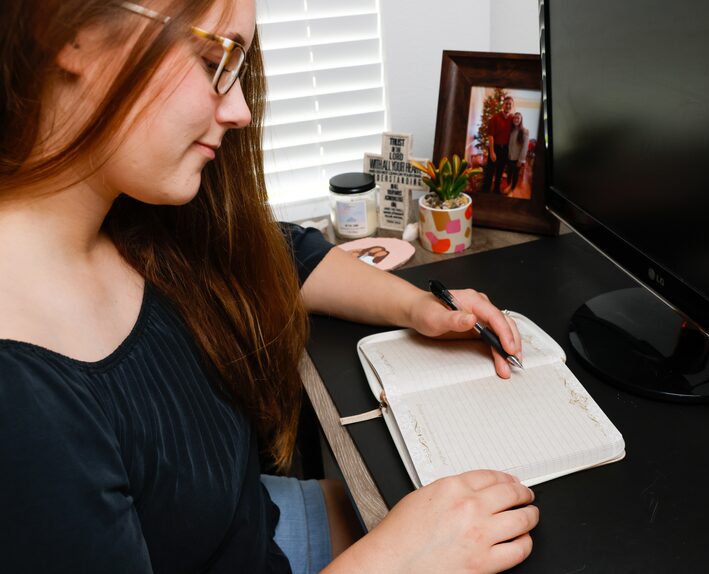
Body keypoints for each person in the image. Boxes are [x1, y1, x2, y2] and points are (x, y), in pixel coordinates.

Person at [0, 1, 539, 573]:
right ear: (75, 34)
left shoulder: (131, 220)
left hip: (264, 528)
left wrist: (417, 307)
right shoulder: (22, 404)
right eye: (212, 58)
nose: (239, 111)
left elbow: (278, 252)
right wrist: (401, 560)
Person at [480, 95, 515, 194]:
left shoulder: (512, 119)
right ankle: (485, 190)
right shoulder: (495, 118)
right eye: (506, 103)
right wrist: (491, 152)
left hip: (505, 149)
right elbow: (490, 136)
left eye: (510, 104)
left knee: (500, 170)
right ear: (503, 105)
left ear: (512, 106)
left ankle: (496, 189)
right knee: (490, 170)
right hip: (495, 147)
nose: (508, 106)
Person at [505, 112, 530, 194]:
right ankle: (508, 186)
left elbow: (525, 148)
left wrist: (521, 160)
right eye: (514, 118)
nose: (516, 119)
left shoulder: (525, 131)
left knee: (515, 175)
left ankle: (512, 189)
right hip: (509, 157)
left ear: (521, 120)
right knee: (509, 173)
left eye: (518, 118)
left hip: (517, 159)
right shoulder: (511, 130)